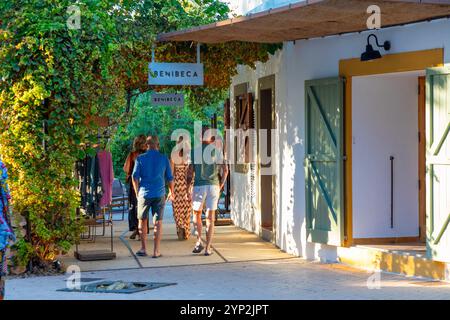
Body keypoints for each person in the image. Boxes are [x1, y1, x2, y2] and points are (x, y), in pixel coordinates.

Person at [187, 126, 229, 256]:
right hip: (213, 186)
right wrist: (221, 184)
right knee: (210, 218)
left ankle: (199, 241)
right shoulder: (217, 151)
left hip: (199, 186)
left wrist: (188, 187)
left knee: (197, 214)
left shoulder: (194, 152)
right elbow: (226, 170)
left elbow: (190, 173)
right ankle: (208, 248)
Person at [132, 136, 174, 258]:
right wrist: (172, 191)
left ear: (146, 145)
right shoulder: (163, 158)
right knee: (158, 223)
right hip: (159, 193)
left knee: (142, 220)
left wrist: (137, 192)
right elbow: (170, 178)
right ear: (158, 145)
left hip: (144, 194)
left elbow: (135, 177)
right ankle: (156, 251)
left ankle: (143, 248)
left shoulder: (140, 158)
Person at [123, 135, 147, 240]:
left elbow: (126, 168)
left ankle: (137, 229)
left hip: (134, 185)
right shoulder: (148, 155)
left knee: (134, 207)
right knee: (143, 207)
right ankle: (141, 230)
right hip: (146, 184)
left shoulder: (132, 155)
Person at [170, 136, 193, 240]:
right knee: (187, 209)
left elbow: (171, 174)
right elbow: (191, 174)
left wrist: (171, 190)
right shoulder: (189, 157)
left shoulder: (174, 156)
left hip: (177, 185)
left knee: (177, 209)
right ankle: (186, 230)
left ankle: (180, 226)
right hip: (187, 185)